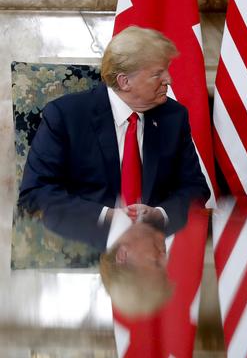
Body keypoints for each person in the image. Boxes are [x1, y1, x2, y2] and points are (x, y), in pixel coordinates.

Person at [18, 26, 209, 249]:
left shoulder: (173, 117)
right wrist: (108, 216)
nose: (169, 80)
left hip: (153, 249)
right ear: (124, 81)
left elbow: (195, 188)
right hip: (82, 244)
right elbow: (36, 193)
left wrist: (160, 214)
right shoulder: (66, 116)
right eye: (158, 73)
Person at [100, 221, 173, 317]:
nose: (165, 259)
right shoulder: (174, 219)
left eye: (156, 263)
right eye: (164, 268)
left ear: (123, 254)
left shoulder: (89, 213)